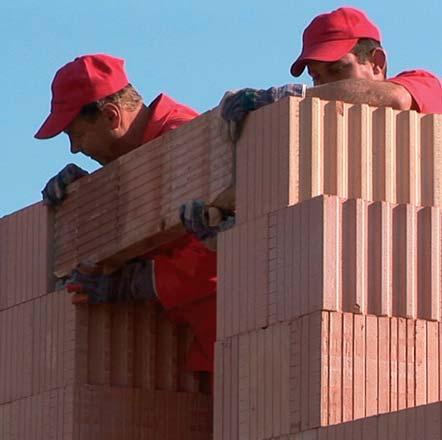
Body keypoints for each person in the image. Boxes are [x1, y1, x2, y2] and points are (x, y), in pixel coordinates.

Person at [35, 53, 230, 374]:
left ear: (111, 115)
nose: (74, 149)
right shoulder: (139, 163)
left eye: (76, 134)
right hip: (213, 354)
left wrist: (134, 283)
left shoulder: (184, 144)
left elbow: (220, 251)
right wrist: (87, 200)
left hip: (248, 344)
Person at [221, 6, 442, 134]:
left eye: (336, 70)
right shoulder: (328, 135)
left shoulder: (422, 83)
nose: (325, 87)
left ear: (377, 63)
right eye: (316, 77)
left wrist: (286, 97)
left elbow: (397, 98)